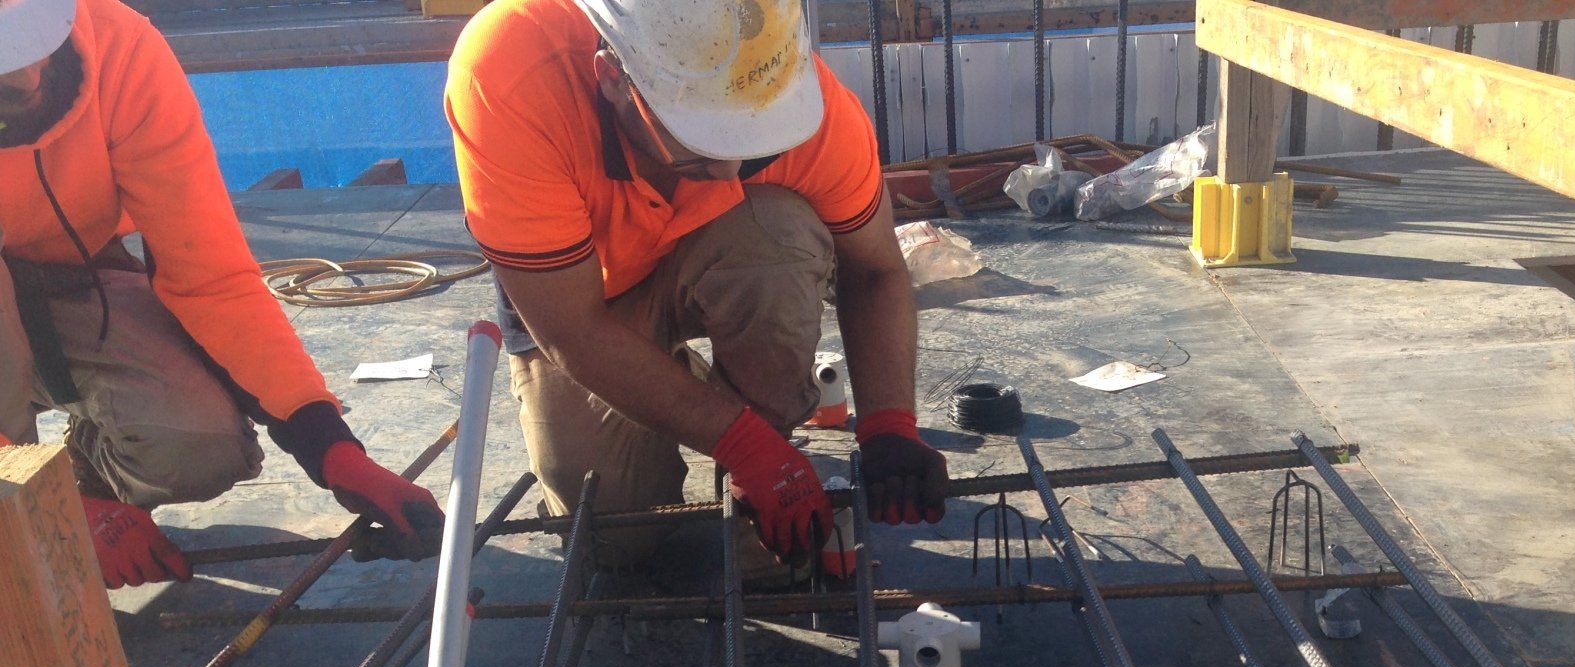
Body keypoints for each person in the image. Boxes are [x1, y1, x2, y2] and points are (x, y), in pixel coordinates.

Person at [444, 0, 947, 569]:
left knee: (777, 239)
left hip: (723, 252)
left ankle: (756, 440)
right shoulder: (511, 73)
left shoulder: (800, 103)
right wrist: (742, 444)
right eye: (701, 146)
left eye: (752, 148)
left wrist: (889, 426)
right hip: (587, 302)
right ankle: (695, 397)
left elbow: (875, 270)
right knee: (615, 536)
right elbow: (573, 329)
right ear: (613, 79)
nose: (730, 171)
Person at [0, 0, 444, 588]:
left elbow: (210, 275)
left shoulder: (119, 48)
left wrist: (331, 448)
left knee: (201, 446)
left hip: (69, 275)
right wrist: (48, 515)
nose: (31, 75)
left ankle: (89, 477)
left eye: (38, 45)